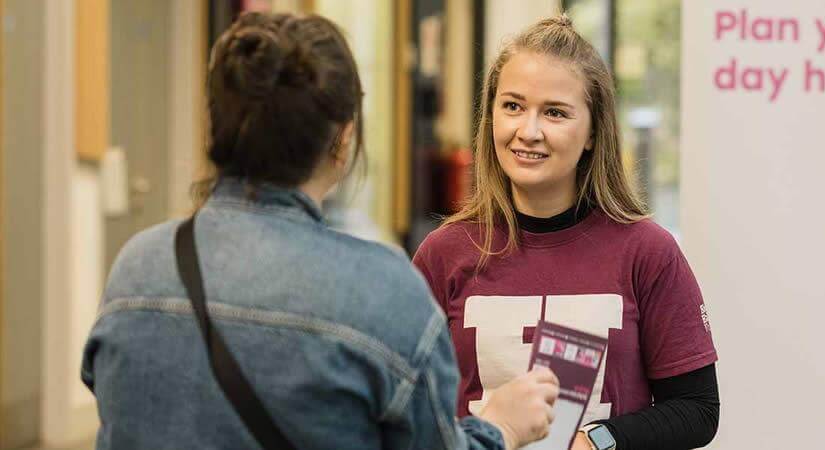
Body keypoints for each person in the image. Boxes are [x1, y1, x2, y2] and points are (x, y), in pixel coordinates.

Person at [81, 12, 558, 450]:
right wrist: (501, 427)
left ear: (215, 126)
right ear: (345, 137)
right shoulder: (382, 292)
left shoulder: (138, 267)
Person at [412, 15, 719, 450]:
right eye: (512, 106)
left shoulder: (648, 252)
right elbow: (407, 409)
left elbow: (697, 408)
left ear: (593, 132)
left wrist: (601, 440)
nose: (528, 131)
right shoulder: (443, 254)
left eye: (554, 112)